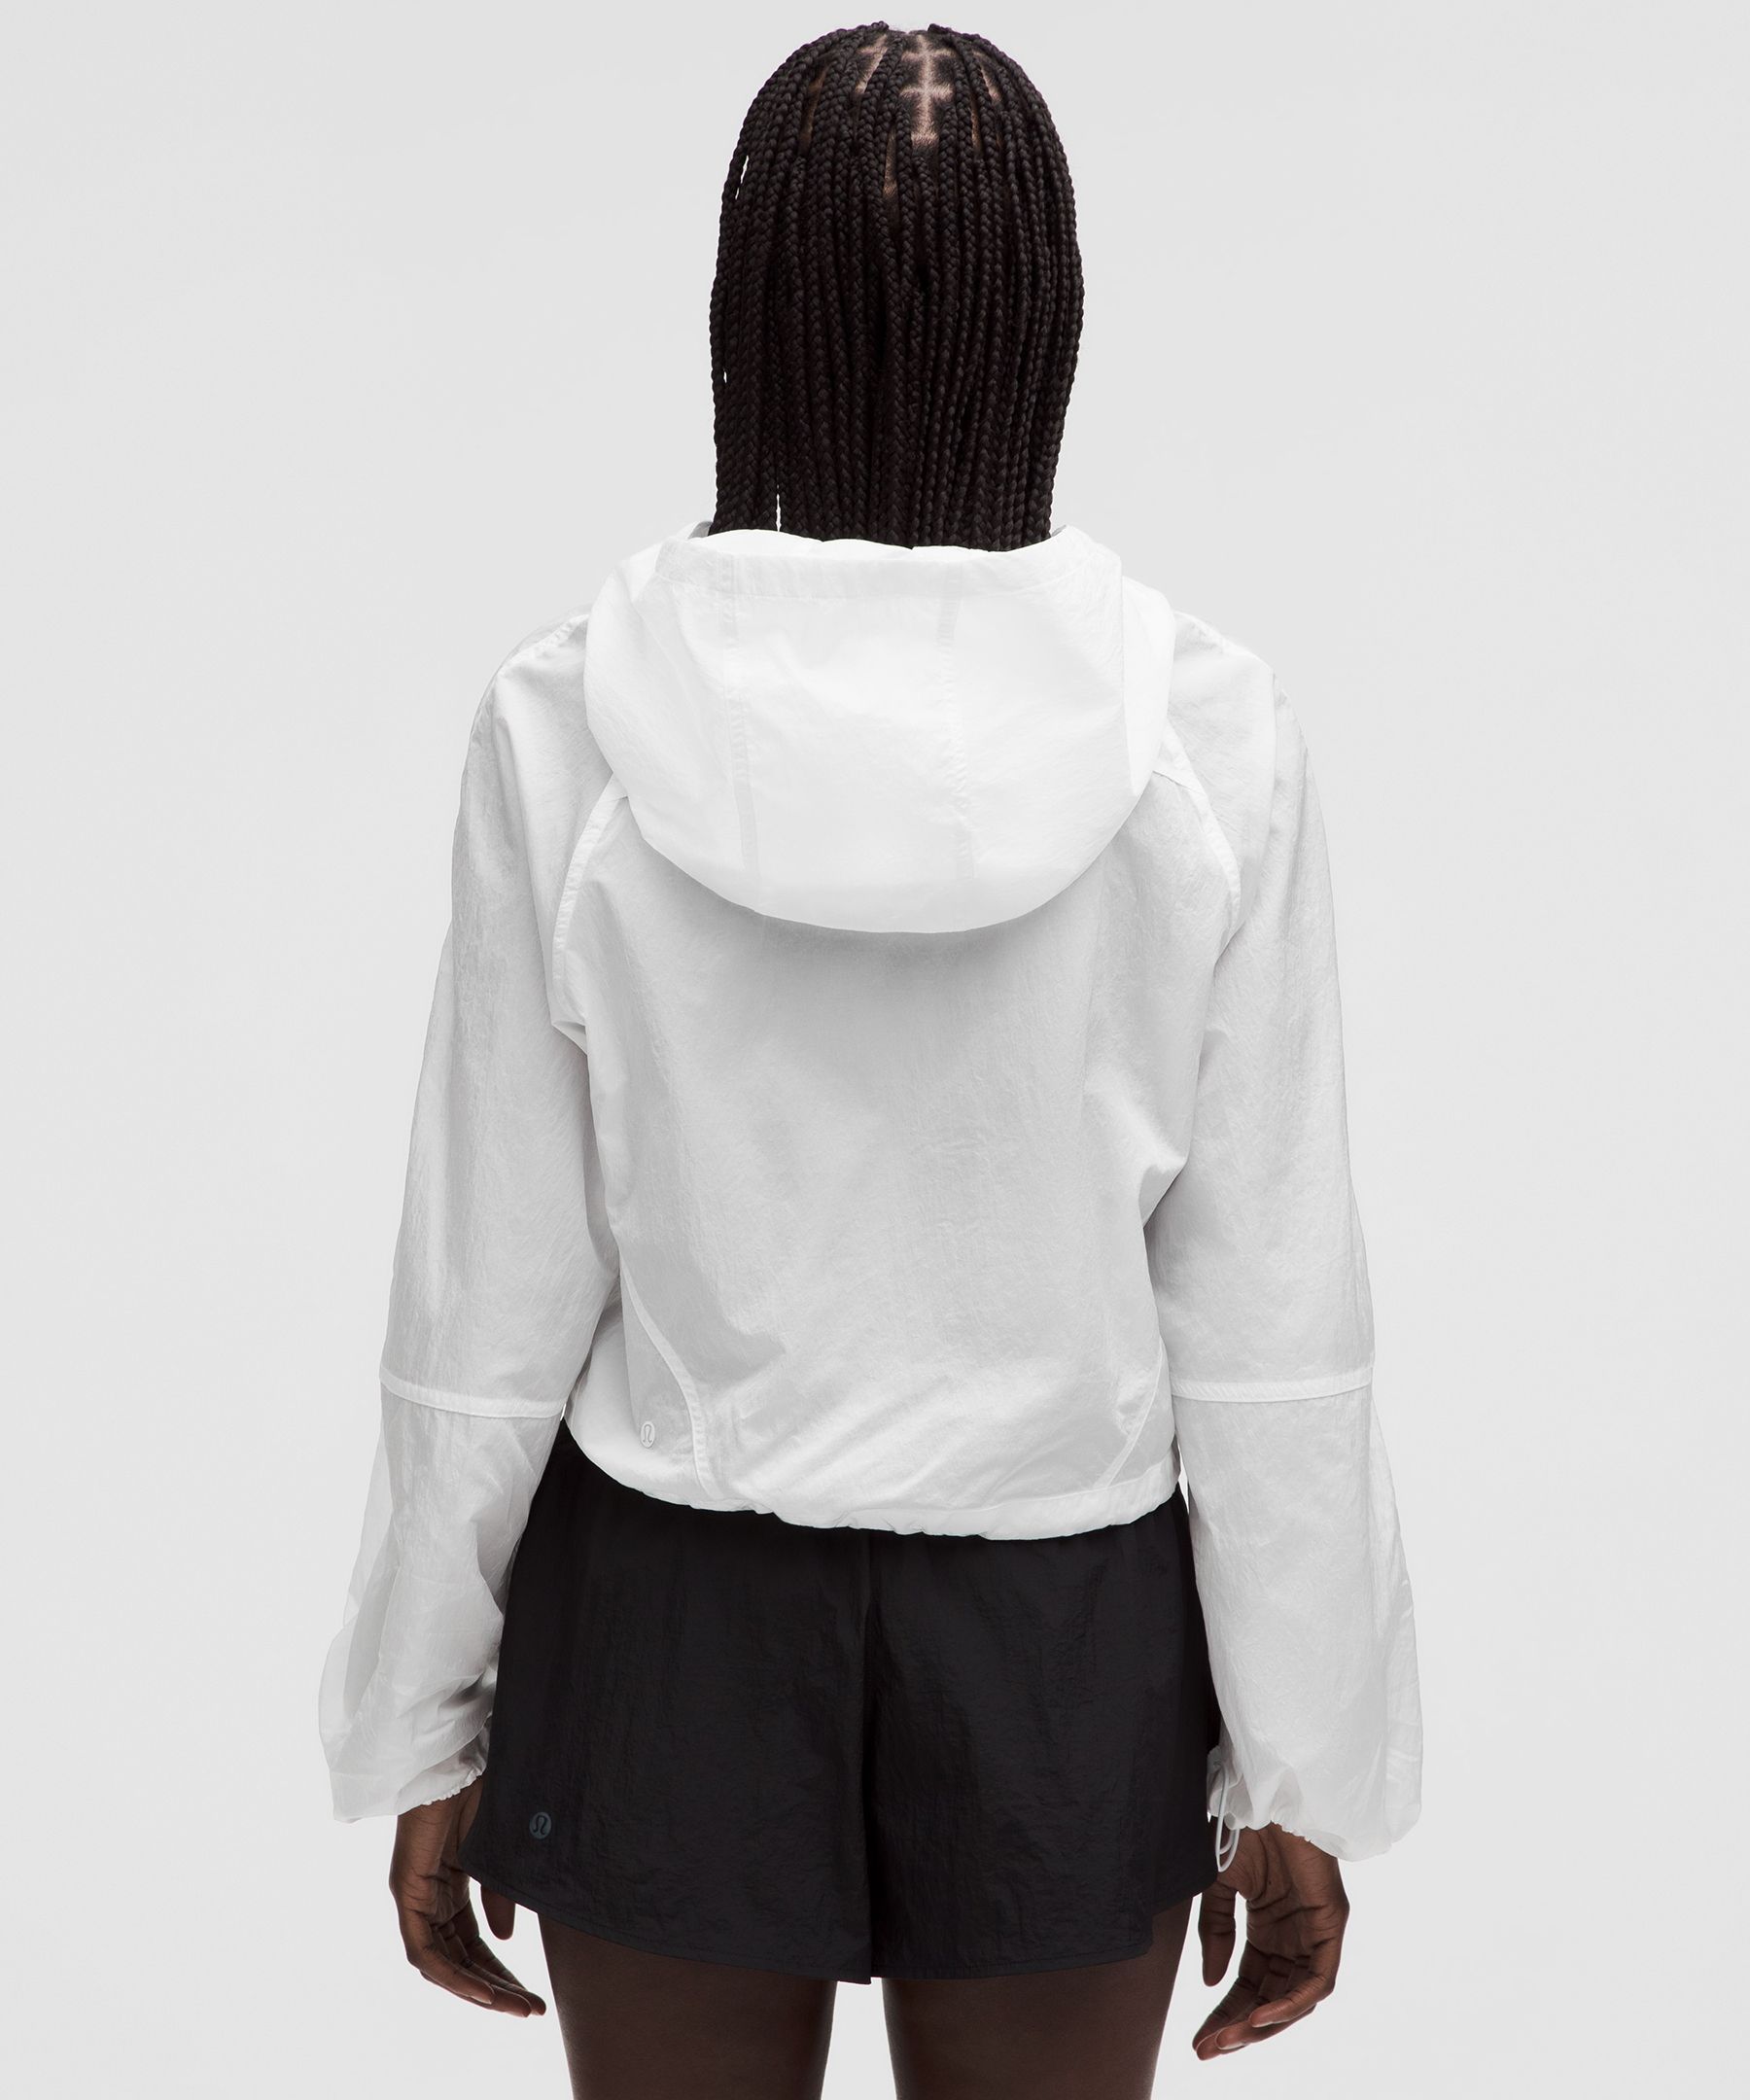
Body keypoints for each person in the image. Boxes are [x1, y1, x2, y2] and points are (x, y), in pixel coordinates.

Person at [320, 22, 1421, 2098]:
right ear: (1046, 316)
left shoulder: (573, 719)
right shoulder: (1206, 734)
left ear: (746, 313)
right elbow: (1271, 1317)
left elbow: (489, 1284)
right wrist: (1303, 1762)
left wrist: (422, 1716)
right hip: (1068, 1626)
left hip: (670, 1604)